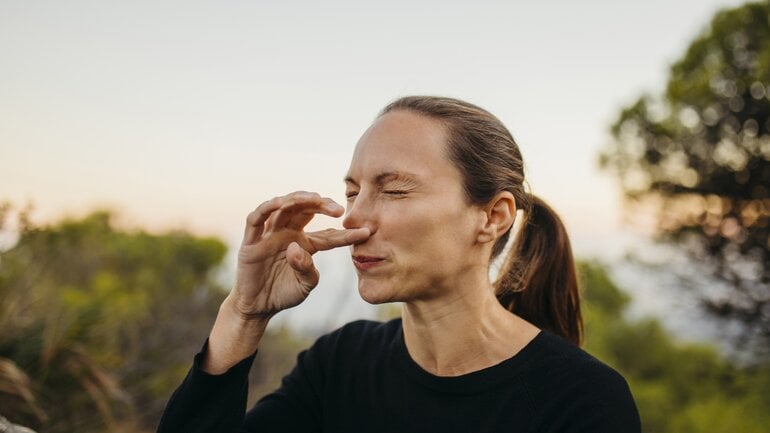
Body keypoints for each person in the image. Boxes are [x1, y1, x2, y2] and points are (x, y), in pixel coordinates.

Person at [157, 96, 641, 433]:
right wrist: (244, 313)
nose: (356, 216)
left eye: (395, 190)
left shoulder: (582, 399)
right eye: (352, 191)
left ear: (492, 217)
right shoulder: (340, 365)